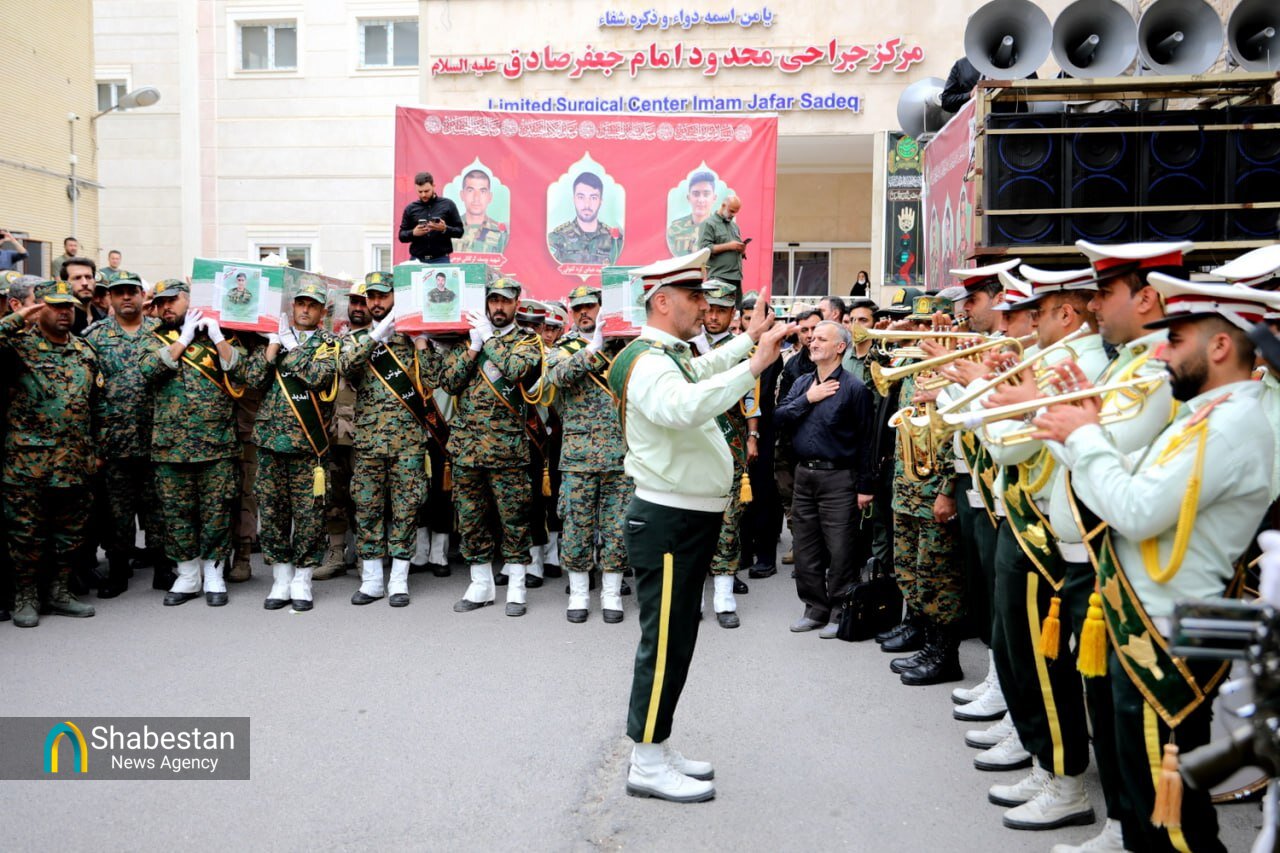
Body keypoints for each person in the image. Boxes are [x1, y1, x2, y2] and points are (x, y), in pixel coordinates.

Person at [1033, 274, 1280, 853]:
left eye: (1176, 340)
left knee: (1171, 823)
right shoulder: (1205, 414)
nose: (1161, 353)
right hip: (1147, 620)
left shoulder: (1230, 424)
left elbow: (1136, 512)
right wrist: (1080, 430)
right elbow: (1114, 491)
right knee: (1146, 804)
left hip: (1167, 631)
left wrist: (1087, 436)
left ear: (1220, 346)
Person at [607, 247, 791, 803]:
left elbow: (701, 371)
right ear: (662, 302)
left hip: (683, 516)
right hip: (670, 519)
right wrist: (754, 365)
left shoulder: (664, 353)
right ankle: (646, 759)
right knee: (665, 643)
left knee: (678, 637)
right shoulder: (648, 361)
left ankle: (656, 744)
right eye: (694, 297)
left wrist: (746, 341)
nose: (704, 308)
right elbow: (684, 406)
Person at [436, 276, 543, 616]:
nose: (498, 307)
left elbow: (516, 370)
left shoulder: (527, 341)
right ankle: (480, 584)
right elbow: (449, 383)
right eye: (494, 300)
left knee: (514, 519)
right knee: (471, 519)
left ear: (516, 304)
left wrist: (489, 338)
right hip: (467, 449)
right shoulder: (467, 341)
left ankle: (517, 587)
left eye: (505, 301)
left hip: (507, 449)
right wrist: (473, 347)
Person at [142, 279, 248, 607]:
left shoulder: (220, 334)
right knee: (176, 513)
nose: (165, 307)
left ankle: (214, 573)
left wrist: (215, 337)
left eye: (172, 300)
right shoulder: (153, 337)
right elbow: (148, 369)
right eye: (160, 302)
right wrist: (183, 338)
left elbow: (242, 371)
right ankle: (187, 576)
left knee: (217, 512)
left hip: (216, 444)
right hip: (170, 445)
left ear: (191, 299)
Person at [2, 282, 101, 627]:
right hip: (28, 463)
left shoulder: (84, 351)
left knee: (69, 534)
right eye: (56, 306)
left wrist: (97, 450)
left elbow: (98, 406)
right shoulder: (17, 346)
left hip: (74, 461)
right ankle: (26, 597)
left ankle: (60, 592)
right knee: (25, 535)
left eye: (69, 306)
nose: (64, 312)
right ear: (38, 309)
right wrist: (16, 319)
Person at [338, 271, 434, 607]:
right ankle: (372, 580)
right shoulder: (356, 340)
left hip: (408, 441)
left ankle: (399, 580)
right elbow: (346, 367)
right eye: (372, 297)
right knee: (367, 509)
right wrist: (375, 337)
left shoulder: (411, 338)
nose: (377, 303)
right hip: (368, 441)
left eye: (383, 296)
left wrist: (421, 341)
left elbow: (433, 378)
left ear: (396, 297)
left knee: (406, 509)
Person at [243, 282, 339, 612]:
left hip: (307, 445)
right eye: (300, 303)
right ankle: (281, 578)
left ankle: (303, 579)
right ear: (292, 306)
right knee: (272, 514)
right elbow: (253, 380)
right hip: (270, 442)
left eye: (312, 304)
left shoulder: (330, 344)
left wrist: (292, 346)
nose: (305, 309)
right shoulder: (273, 339)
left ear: (322, 310)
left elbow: (319, 378)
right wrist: (273, 345)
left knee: (310, 515)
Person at [776, 320, 876, 636]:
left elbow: (867, 441)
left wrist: (865, 486)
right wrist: (809, 398)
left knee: (841, 549)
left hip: (840, 477)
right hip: (804, 474)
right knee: (805, 547)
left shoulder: (855, 389)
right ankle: (814, 609)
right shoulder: (802, 383)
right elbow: (779, 417)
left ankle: (839, 611)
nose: (813, 342)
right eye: (813, 338)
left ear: (840, 347)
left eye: (822, 338)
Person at [546, 285, 630, 622]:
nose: (584, 313)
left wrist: (607, 342)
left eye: (590, 307)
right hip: (577, 457)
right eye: (578, 308)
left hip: (620, 455)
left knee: (617, 528)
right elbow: (558, 376)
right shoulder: (561, 349)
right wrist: (593, 348)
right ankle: (579, 593)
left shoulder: (624, 346)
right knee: (576, 527)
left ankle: (612, 593)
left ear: (601, 308)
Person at [84, 271, 164, 598]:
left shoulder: (161, 332)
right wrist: (93, 443)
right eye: (119, 293)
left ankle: (164, 569)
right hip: (114, 441)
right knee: (118, 513)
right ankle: (118, 572)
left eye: (132, 291)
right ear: (110, 298)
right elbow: (86, 392)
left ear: (143, 296)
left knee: (159, 509)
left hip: (157, 438)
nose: (126, 297)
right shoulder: (95, 336)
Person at [699, 281, 758, 627]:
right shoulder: (684, 347)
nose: (714, 317)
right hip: (692, 449)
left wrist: (753, 435)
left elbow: (751, 399)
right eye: (709, 309)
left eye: (721, 311)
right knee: (693, 524)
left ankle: (723, 595)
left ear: (732, 314)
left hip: (728, 446)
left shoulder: (740, 349)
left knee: (728, 521)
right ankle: (694, 594)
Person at [319, 280, 372, 580]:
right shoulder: (336, 340)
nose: (358, 307)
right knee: (333, 495)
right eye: (354, 301)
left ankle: (366, 556)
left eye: (363, 302)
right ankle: (336, 553)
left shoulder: (378, 342)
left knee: (364, 497)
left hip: (362, 432)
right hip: (333, 431)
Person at [548, 172, 623, 266]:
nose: (587, 204)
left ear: (600, 201)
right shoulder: (556, 239)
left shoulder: (615, 242)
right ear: (574, 199)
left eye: (593, 198)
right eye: (581, 197)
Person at [398, 171, 465, 264]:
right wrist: (413, 233)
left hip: (441, 259)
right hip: (417, 260)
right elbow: (401, 236)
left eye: (426, 191)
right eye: (420, 192)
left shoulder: (448, 204)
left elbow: (460, 231)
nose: (423, 195)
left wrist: (444, 229)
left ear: (433, 186)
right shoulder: (410, 208)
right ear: (415, 188)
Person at [455, 169, 509, 254]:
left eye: (482, 191)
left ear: (490, 197)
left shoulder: (500, 232)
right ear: (462, 195)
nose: (476, 198)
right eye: (470, 190)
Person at [697, 196, 744, 294]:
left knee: (737, 304)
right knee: (719, 304)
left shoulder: (734, 226)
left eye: (735, 212)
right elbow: (704, 249)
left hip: (736, 277)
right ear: (723, 206)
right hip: (718, 277)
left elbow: (735, 250)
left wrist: (741, 250)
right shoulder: (709, 224)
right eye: (731, 211)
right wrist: (729, 246)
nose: (733, 215)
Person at [666, 170, 718, 256]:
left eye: (706, 194)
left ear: (714, 198)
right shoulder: (675, 229)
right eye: (696, 194)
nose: (701, 200)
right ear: (689, 197)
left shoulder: (723, 230)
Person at [61, 257, 98, 335]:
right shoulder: (61, 321)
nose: (85, 283)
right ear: (65, 284)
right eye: (77, 278)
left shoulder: (102, 317)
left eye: (88, 277)